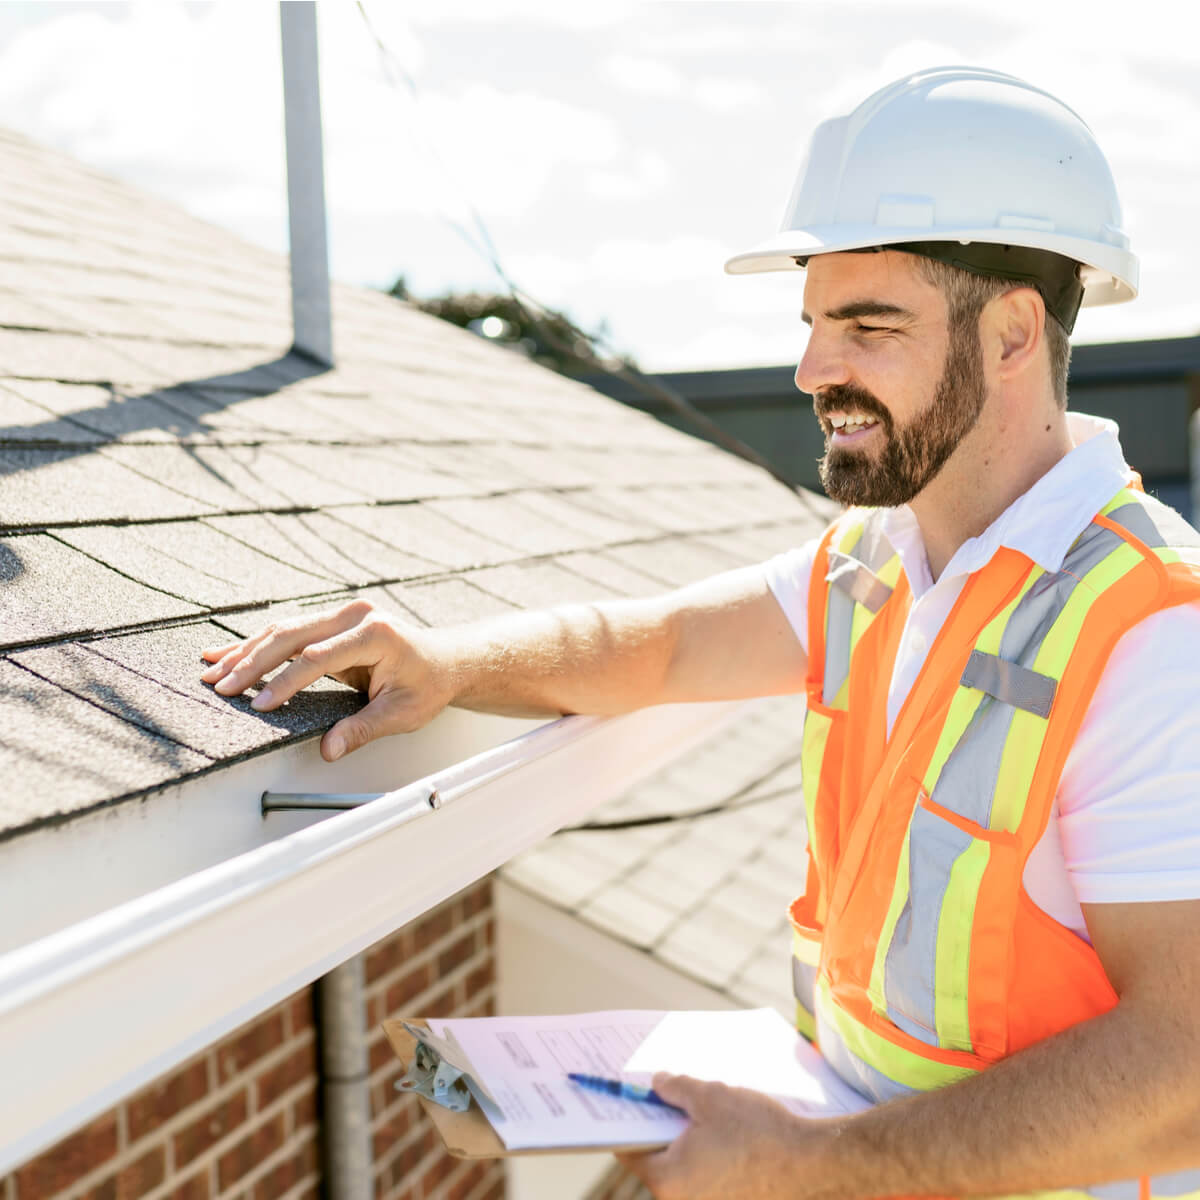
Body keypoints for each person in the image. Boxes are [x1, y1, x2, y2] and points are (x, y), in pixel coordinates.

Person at [202, 68, 1200, 1198]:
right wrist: (445, 662)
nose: (815, 371)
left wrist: (815, 1165)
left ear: (1014, 333)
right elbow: (665, 646)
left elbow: (1187, 1070)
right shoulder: (878, 562)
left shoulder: (1150, 629)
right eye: (815, 323)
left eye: (868, 327)